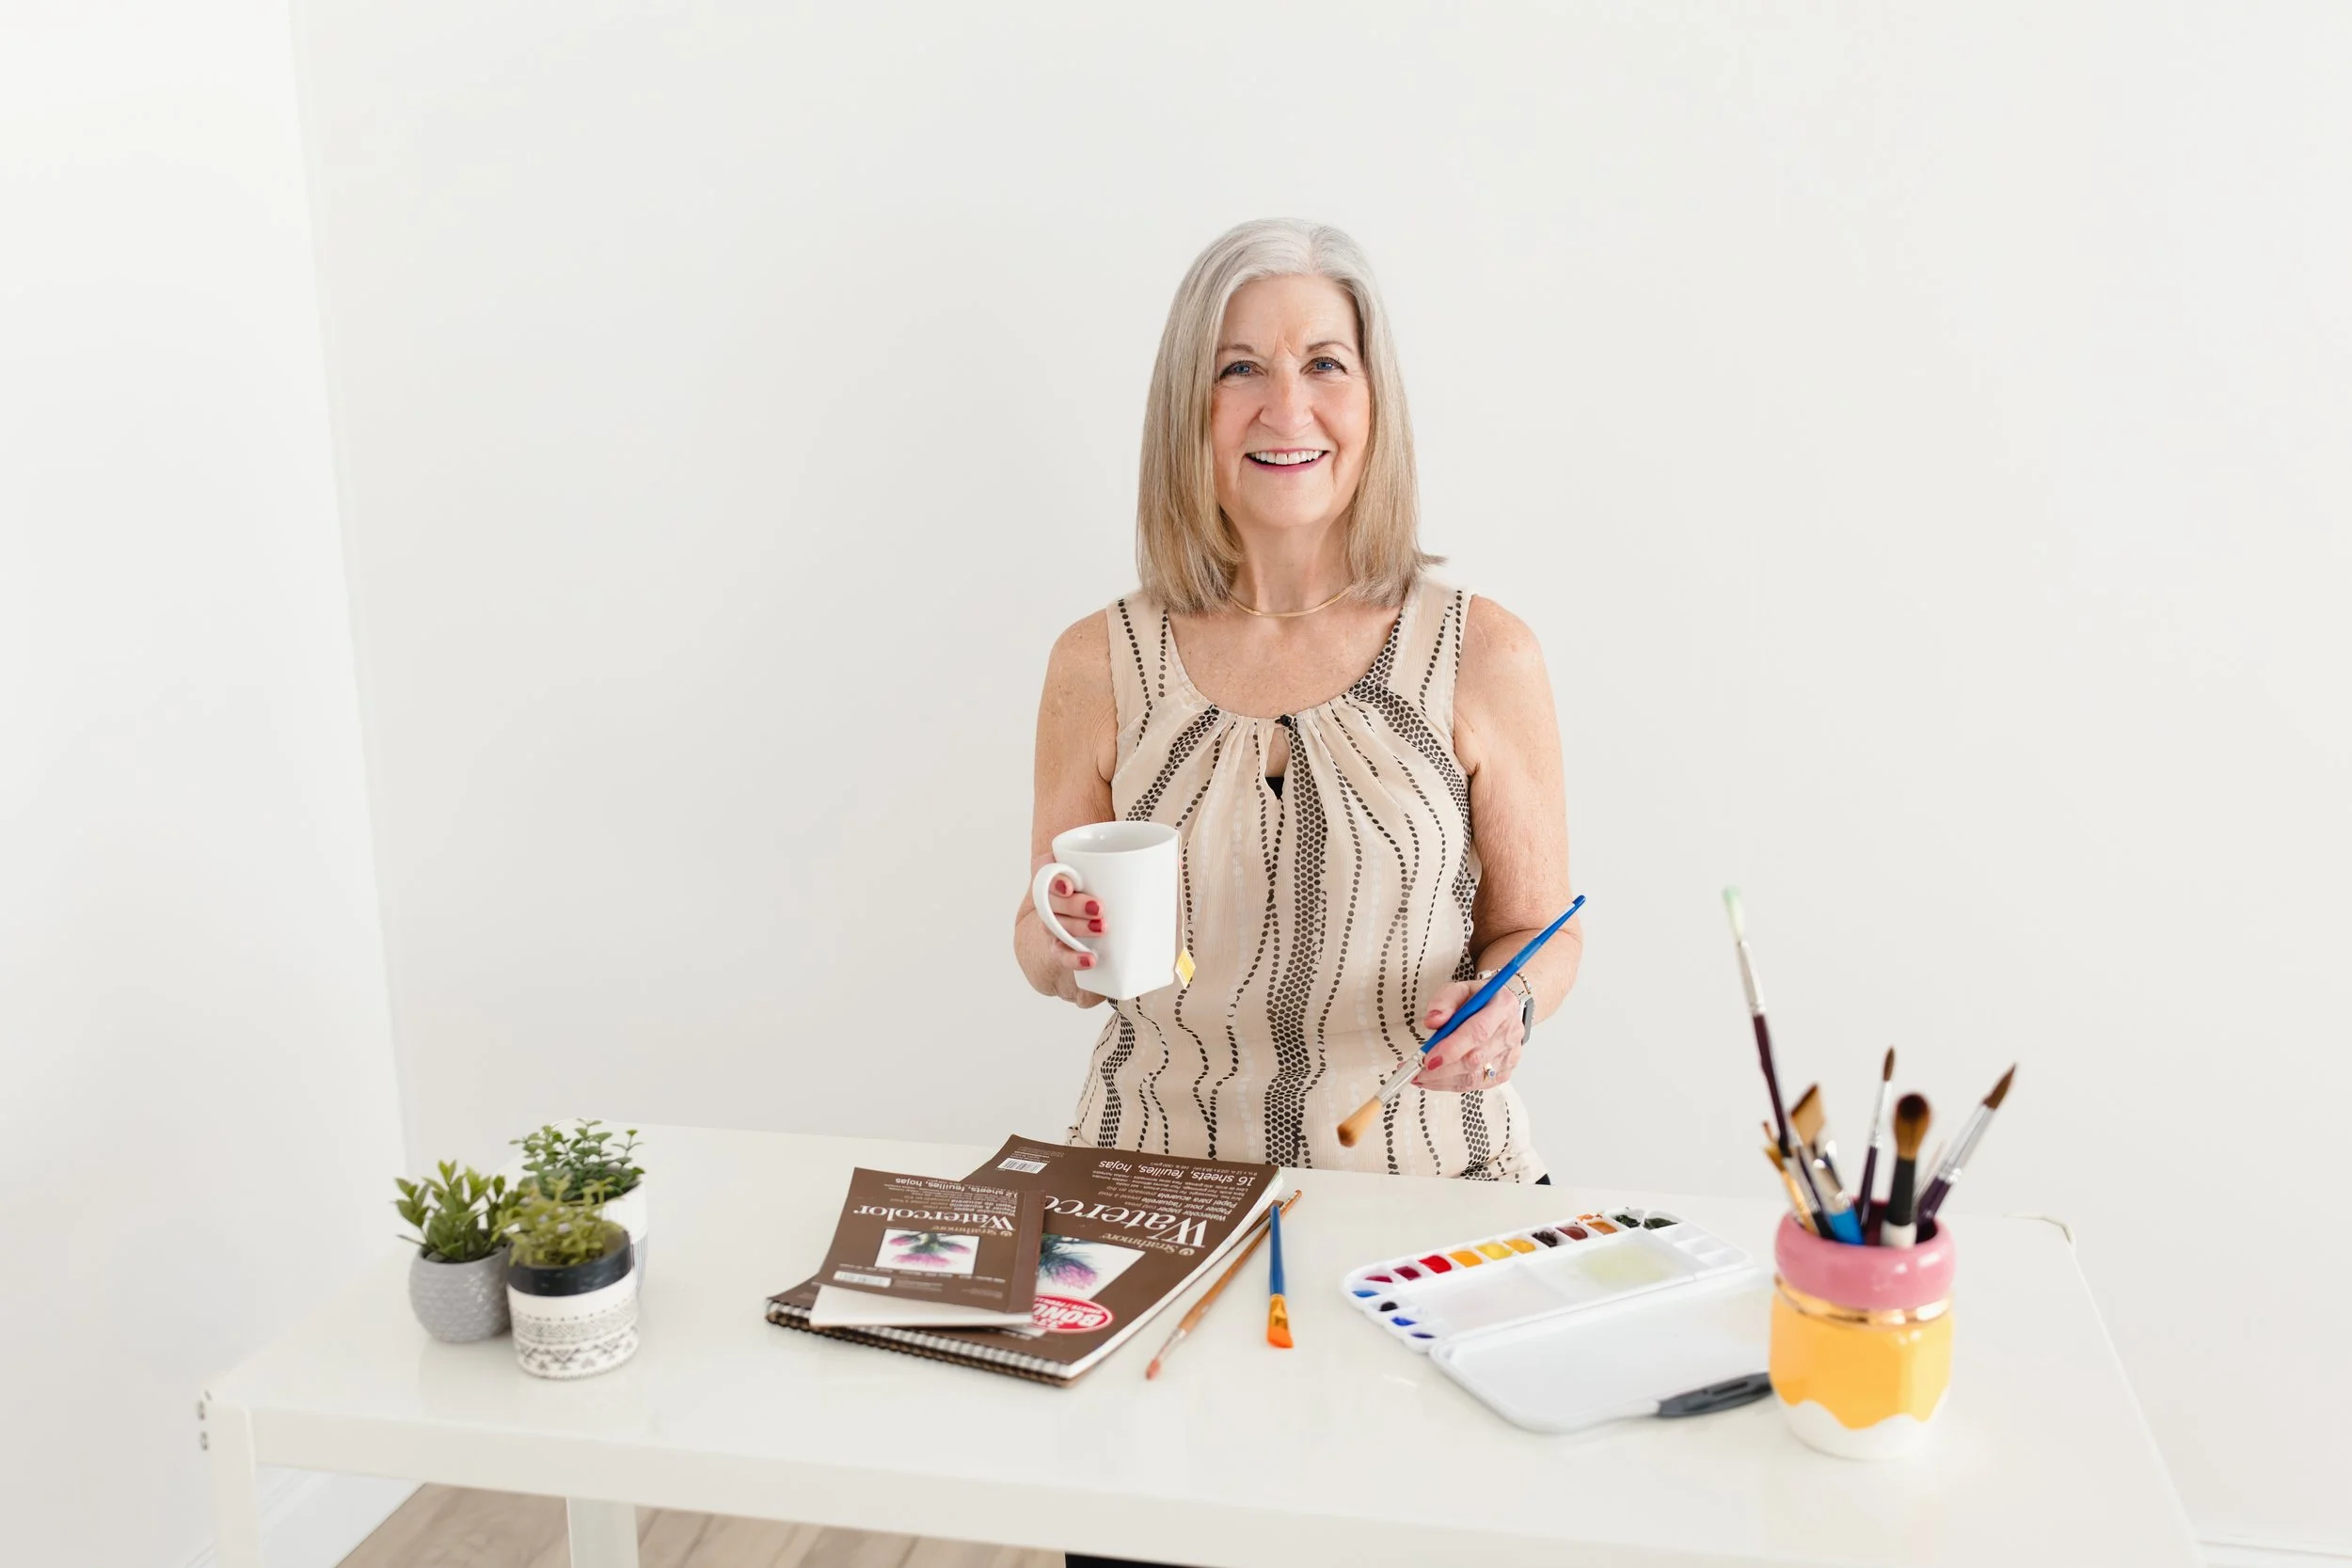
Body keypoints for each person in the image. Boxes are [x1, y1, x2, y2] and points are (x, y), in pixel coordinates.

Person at [1016, 216, 1581, 1188]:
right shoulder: (1095, 660)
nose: (1287, 406)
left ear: (1374, 400)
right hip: (1143, 1191)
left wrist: (1511, 999)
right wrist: (1063, 939)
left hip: (1434, 1193)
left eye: (1324, 363)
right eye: (1239, 368)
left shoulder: (1484, 652)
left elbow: (1540, 926)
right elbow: (1037, 934)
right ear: (1189, 404)